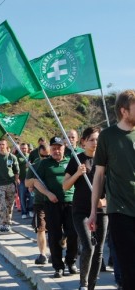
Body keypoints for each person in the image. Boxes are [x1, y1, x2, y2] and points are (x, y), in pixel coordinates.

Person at [87, 90, 135, 290]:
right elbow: (98, 176)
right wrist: (92, 213)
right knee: (129, 270)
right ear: (124, 111)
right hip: (120, 210)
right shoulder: (107, 136)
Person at [63, 127, 108, 290]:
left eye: (98, 139)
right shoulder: (77, 159)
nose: (95, 143)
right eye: (91, 140)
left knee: (99, 251)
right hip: (81, 210)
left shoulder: (106, 159)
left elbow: (115, 186)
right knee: (88, 246)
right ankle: (83, 283)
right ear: (83, 142)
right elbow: (65, 186)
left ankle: (91, 286)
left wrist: (104, 201)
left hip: (101, 211)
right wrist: (77, 173)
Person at [33, 136, 78, 278]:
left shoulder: (71, 161)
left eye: (59, 148)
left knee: (73, 233)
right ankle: (58, 266)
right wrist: (47, 193)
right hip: (52, 203)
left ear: (64, 148)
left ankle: (71, 262)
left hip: (70, 202)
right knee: (54, 235)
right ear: (50, 149)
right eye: (53, 148)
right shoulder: (44, 164)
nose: (56, 151)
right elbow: (36, 182)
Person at [25, 144, 50, 265]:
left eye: (48, 155)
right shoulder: (34, 166)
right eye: (42, 156)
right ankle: (43, 254)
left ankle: (60, 246)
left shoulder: (57, 164)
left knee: (60, 230)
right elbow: (27, 182)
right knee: (41, 229)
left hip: (56, 202)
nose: (45, 158)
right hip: (40, 202)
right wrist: (33, 182)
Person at [0, 138, 20, 233]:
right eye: (0, 144)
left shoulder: (12, 157)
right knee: (1, 205)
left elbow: (16, 171)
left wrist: (16, 182)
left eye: (3, 144)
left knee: (9, 206)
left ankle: (8, 224)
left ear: (6, 146)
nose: (1, 146)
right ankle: (2, 223)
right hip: (0, 185)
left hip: (10, 184)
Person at [17, 142, 32, 219]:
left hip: (29, 180)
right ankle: (24, 211)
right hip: (21, 180)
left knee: (31, 196)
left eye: (25, 148)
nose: (24, 150)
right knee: (22, 196)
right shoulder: (17, 157)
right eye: (22, 148)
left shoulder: (30, 156)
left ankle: (30, 209)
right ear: (20, 149)